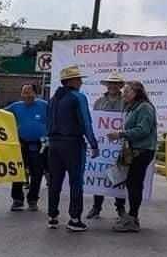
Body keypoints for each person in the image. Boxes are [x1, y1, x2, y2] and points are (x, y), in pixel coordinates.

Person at [46, 66, 99, 232]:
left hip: (54, 144)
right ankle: (75, 218)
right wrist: (93, 144)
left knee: (55, 181)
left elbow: (48, 123)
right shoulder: (78, 97)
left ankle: (52, 216)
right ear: (71, 81)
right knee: (76, 181)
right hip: (72, 144)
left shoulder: (54, 99)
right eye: (78, 79)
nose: (81, 81)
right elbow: (85, 122)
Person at [107, 81, 157, 232]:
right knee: (131, 183)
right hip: (134, 150)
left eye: (127, 91)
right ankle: (131, 217)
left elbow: (143, 130)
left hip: (142, 151)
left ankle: (133, 219)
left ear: (136, 92)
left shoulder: (145, 108)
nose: (124, 94)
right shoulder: (133, 108)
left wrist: (121, 134)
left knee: (135, 183)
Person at [88, 73, 127, 219]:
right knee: (99, 174)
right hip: (103, 145)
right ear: (107, 85)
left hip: (119, 144)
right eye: (110, 83)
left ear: (120, 86)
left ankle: (120, 209)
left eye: (116, 84)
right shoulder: (99, 101)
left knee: (119, 175)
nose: (113, 86)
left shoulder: (126, 101)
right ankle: (96, 207)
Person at [5, 83, 47, 212]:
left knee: (37, 173)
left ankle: (33, 200)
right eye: (24, 92)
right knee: (18, 172)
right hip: (21, 144)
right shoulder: (15, 107)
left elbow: (56, 118)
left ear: (36, 93)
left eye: (29, 92)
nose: (26, 95)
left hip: (39, 145)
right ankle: (17, 200)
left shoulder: (45, 106)